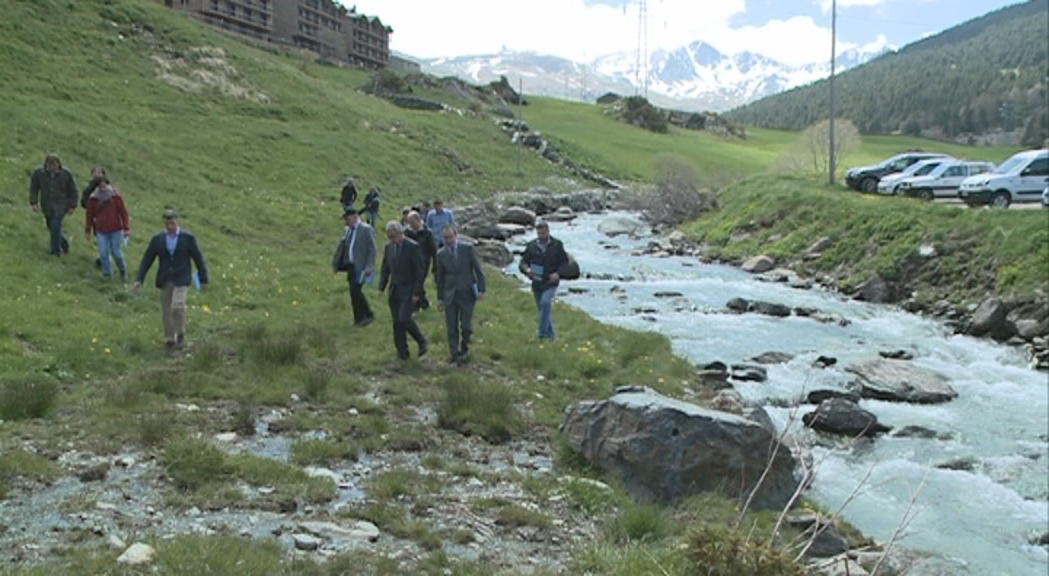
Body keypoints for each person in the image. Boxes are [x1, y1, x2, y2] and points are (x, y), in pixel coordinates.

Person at [133, 209, 209, 349]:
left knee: (177, 306)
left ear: (177, 221)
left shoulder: (187, 238)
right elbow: (147, 260)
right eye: (167, 224)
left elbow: (198, 258)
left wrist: (203, 278)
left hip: (182, 278)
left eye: (172, 223)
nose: (170, 227)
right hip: (165, 278)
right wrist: (139, 279)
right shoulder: (158, 240)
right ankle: (169, 338)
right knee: (166, 310)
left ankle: (180, 334)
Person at [434, 224, 486, 366]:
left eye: (450, 237)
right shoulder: (440, 254)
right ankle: (454, 355)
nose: (448, 241)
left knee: (466, 326)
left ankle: (464, 348)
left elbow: (478, 269)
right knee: (451, 327)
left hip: (467, 293)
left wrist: (481, 289)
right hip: (450, 294)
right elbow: (440, 278)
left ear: (456, 235)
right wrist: (440, 298)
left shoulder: (467, 249)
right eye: (445, 238)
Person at [378, 221, 428, 361]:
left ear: (401, 234)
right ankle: (402, 351)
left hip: (409, 289)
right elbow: (385, 268)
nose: (392, 240)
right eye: (390, 237)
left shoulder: (413, 247)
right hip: (395, 289)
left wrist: (417, 292)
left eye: (394, 236)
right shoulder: (389, 248)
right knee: (397, 322)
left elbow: (420, 272)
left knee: (404, 318)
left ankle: (421, 340)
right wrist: (382, 287)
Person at [518, 221, 568, 340]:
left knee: (545, 303)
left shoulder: (557, 245)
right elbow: (523, 263)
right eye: (539, 233)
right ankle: (552, 337)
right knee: (543, 309)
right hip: (537, 282)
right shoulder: (531, 246)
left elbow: (565, 263)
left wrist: (558, 273)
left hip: (551, 282)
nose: (541, 236)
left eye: (543, 233)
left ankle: (541, 335)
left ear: (548, 231)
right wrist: (527, 271)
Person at [29, 153, 78, 257]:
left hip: (61, 205)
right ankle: (64, 243)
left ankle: (55, 252)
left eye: (54, 165)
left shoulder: (66, 174)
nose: (52, 168)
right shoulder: (39, 174)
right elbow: (34, 188)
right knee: (51, 227)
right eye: (49, 165)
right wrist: (34, 202)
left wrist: (72, 206)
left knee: (56, 225)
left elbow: (73, 191)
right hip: (47, 205)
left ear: (58, 165)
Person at [333, 208, 376, 326]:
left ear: (354, 217)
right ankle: (361, 317)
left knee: (355, 290)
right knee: (354, 292)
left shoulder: (366, 229)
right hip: (350, 266)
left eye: (347, 219)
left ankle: (365, 315)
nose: (346, 222)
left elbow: (372, 249)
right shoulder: (348, 231)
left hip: (362, 266)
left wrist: (370, 266)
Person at [84, 178, 131, 280]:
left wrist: (126, 228)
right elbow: (89, 215)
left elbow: (123, 212)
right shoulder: (93, 199)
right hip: (101, 230)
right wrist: (88, 230)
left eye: (104, 185)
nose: (102, 188)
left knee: (116, 252)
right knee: (103, 252)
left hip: (116, 229)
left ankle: (122, 270)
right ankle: (107, 273)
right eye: (100, 186)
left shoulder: (116, 197)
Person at [403, 210, 437, 310]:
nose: (411, 226)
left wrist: (435, 265)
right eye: (409, 223)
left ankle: (414, 305)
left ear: (418, 220)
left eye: (412, 223)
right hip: (410, 263)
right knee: (414, 282)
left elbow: (433, 250)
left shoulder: (427, 233)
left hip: (423, 262)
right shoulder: (407, 232)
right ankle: (423, 302)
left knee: (419, 282)